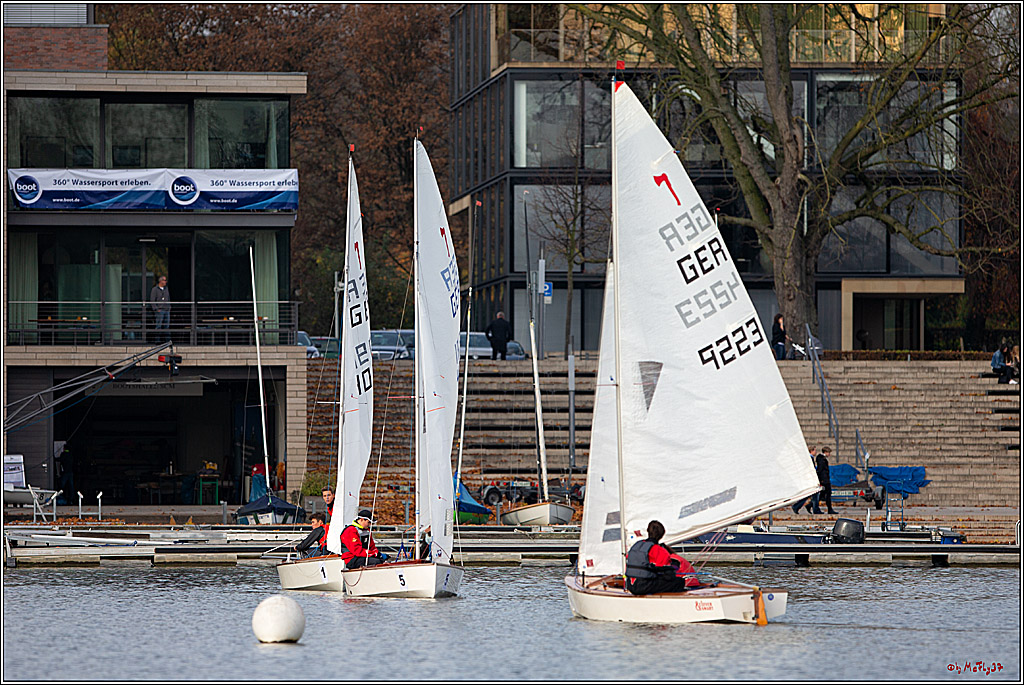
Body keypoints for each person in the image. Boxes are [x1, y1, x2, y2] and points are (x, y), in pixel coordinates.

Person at [624, 520, 695, 595]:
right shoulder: (660, 551)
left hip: (630, 585)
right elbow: (667, 575)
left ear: (648, 531)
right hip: (644, 587)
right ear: (662, 535)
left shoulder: (636, 545)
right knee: (679, 582)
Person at [816, 446, 837, 515]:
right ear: (825, 452)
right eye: (828, 453)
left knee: (823, 494)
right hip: (824, 480)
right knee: (827, 494)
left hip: (825, 479)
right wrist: (821, 480)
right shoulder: (821, 459)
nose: (829, 454)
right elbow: (820, 470)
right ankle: (830, 509)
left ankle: (811, 505)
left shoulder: (822, 459)